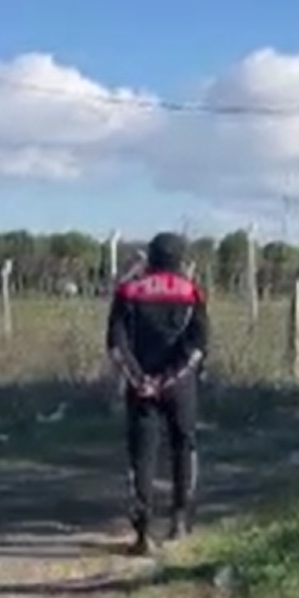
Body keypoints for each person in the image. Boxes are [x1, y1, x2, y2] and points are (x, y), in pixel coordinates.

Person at [106, 232, 210, 554]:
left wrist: (139, 379)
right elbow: (198, 346)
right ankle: (180, 519)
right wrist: (170, 378)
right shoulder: (192, 292)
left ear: (150, 257)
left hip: (140, 387)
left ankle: (143, 534)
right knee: (183, 447)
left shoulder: (128, 290)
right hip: (179, 386)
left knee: (142, 456)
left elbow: (116, 343)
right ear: (180, 259)